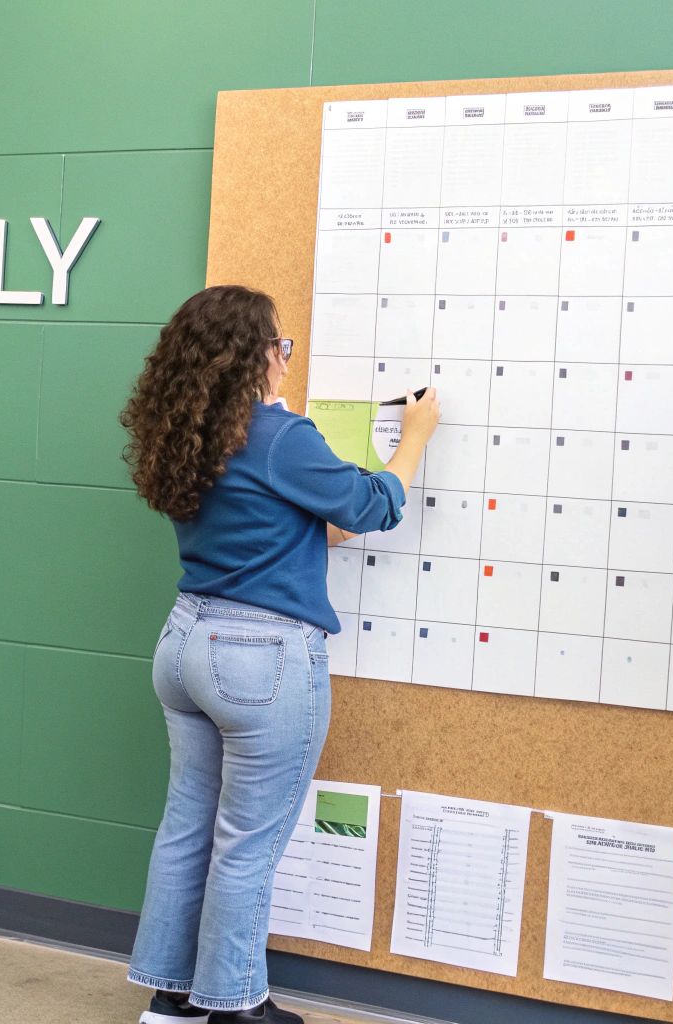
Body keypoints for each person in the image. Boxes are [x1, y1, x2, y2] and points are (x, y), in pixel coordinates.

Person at [119, 284, 441, 1024]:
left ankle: (173, 1000)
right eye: (279, 344)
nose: (285, 357)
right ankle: (237, 1006)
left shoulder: (187, 434)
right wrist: (415, 433)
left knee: (187, 828)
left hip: (185, 644)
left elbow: (271, 524)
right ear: (254, 357)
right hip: (260, 658)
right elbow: (371, 506)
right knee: (247, 845)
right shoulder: (278, 437)